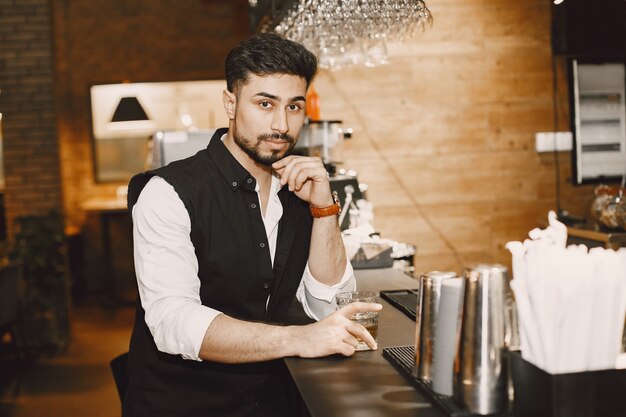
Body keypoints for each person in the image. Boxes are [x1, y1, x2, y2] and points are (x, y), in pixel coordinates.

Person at [123, 33, 382, 417]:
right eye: (265, 104)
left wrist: (325, 209)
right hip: (185, 403)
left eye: (294, 107)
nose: (281, 125)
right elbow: (174, 323)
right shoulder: (168, 193)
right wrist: (300, 339)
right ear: (231, 102)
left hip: (275, 397)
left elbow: (327, 305)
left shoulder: (299, 186)